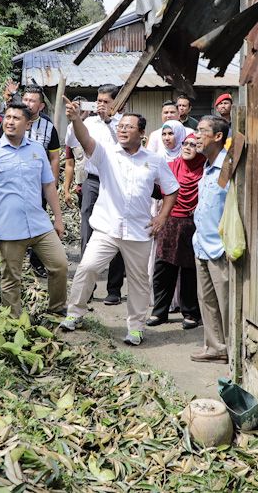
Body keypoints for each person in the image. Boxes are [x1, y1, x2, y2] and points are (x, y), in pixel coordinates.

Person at [60, 101, 179, 346]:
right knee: (88, 267)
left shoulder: (154, 160)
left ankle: (135, 328)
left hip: (139, 231)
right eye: (121, 126)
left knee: (138, 282)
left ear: (142, 133)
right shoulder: (107, 153)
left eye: (129, 127)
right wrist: (75, 119)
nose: (123, 130)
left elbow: (171, 190)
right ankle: (75, 313)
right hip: (107, 227)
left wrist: (162, 217)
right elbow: (86, 141)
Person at [0, 103, 68, 317]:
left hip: (39, 223)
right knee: (11, 278)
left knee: (59, 265)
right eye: (7, 117)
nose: (9, 121)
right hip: (9, 227)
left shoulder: (36, 150)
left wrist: (58, 219)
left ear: (28, 123)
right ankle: (13, 321)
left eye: (16, 118)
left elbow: (48, 185)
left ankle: (57, 308)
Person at [73, 84, 127, 305]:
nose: (101, 105)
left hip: (117, 182)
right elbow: (72, 141)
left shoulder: (124, 123)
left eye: (106, 101)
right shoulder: (88, 123)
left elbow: (124, 148)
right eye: (99, 101)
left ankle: (114, 288)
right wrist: (77, 119)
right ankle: (89, 287)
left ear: (116, 103)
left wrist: (110, 123)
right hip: (92, 181)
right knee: (88, 230)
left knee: (117, 232)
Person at [147, 133, 204, 328]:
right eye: (185, 144)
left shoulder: (205, 170)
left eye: (193, 145)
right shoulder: (170, 167)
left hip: (192, 225)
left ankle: (191, 313)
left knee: (189, 270)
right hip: (169, 221)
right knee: (163, 268)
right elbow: (156, 189)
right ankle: (159, 312)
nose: (187, 147)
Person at [190, 115, 232, 363]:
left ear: (217, 136)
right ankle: (215, 348)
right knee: (207, 301)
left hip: (220, 248)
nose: (195, 135)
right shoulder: (206, 167)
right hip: (202, 245)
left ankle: (233, 351)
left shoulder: (227, 168)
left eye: (201, 131)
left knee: (225, 303)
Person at [20, 86, 62, 278]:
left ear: (41, 105)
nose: (27, 103)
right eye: (25, 99)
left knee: (37, 222)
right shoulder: (12, 121)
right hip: (13, 185)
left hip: (37, 186)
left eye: (32, 100)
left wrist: (51, 183)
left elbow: (54, 157)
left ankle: (37, 264)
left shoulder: (48, 127)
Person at [61, 96, 91, 209]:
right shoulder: (71, 131)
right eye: (78, 109)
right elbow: (69, 164)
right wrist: (66, 190)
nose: (80, 113)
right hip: (82, 185)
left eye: (83, 110)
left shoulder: (98, 127)